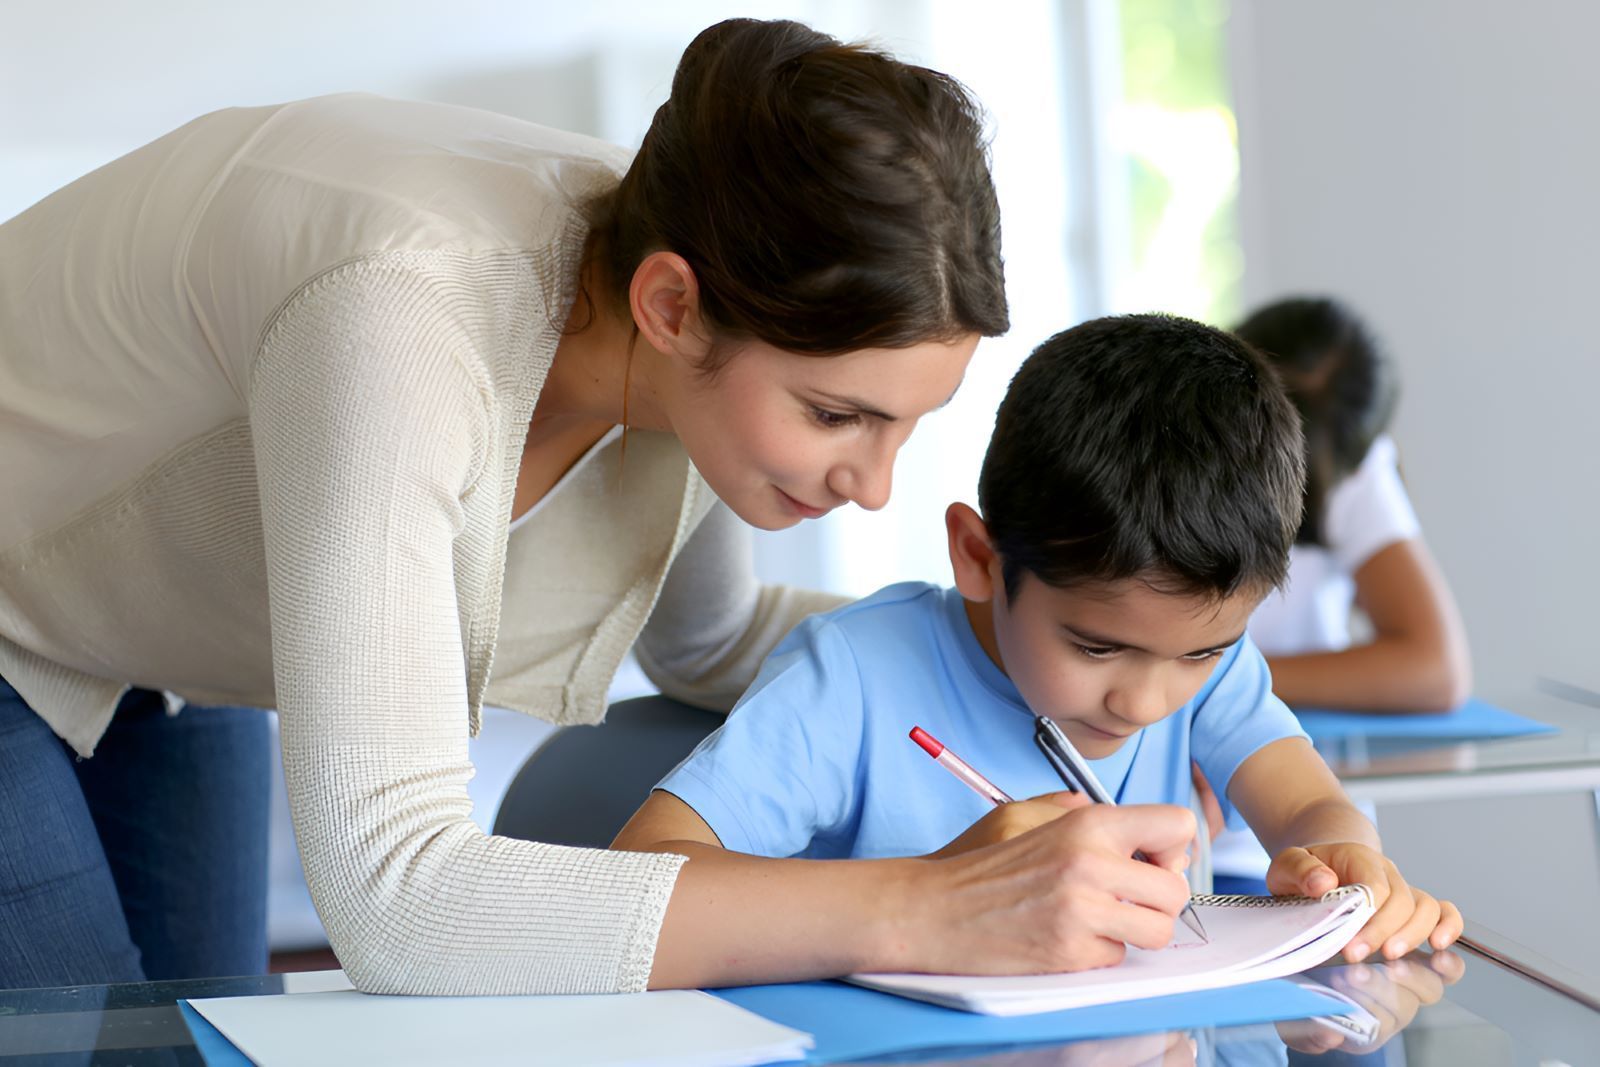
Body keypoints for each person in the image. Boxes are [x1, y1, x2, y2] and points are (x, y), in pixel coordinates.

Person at [0, 17, 1170, 995]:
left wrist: (1088, 658)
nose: (873, 482)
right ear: (671, 305)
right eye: (835, 414)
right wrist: (926, 906)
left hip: (145, 636)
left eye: (905, 422)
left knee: (201, 1033)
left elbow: (707, 639)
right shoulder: (402, 318)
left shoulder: (678, 296)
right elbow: (395, 896)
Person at [615, 315, 1464, 966]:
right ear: (980, 557)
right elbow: (635, 880)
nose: (1148, 700)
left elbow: (1308, 805)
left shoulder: (1210, 670)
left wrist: (1346, 860)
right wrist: (940, 889)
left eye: (1202, 652)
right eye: (1097, 647)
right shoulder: (853, 675)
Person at [1204, 296, 1474, 893]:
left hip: (1288, 840)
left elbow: (1435, 669)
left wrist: (1217, 681)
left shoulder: (1357, 467)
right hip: (1180, 839)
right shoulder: (1187, 451)